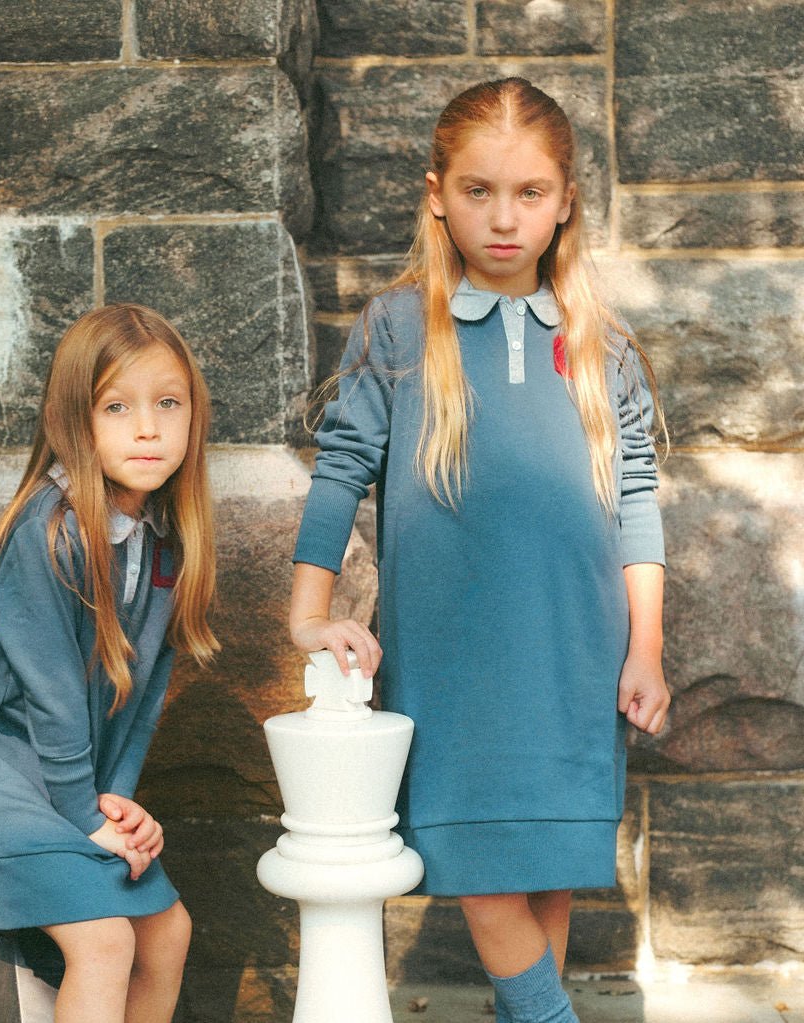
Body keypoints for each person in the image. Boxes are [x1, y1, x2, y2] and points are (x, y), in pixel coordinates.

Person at [289, 78, 669, 1023]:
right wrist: (307, 609)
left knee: (550, 868)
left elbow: (635, 502)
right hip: (454, 657)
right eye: (478, 191)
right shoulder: (394, 330)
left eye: (530, 193)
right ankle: (548, 1016)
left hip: (577, 649)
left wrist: (647, 648)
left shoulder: (602, 347)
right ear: (436, 193)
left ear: (566, 202)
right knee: (478, 859)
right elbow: (340, 472)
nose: (504, 218)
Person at [0, 303, 219, 1023]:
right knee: (104, 940)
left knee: (167, 931)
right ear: (71, 420)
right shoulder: (46, 535)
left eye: (169, 404)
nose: (148, 427)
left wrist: (118, 806)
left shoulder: (164, 545)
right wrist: (82, 813)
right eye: (117, 406)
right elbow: (50, 691)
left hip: (57, 776)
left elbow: (140, 697)